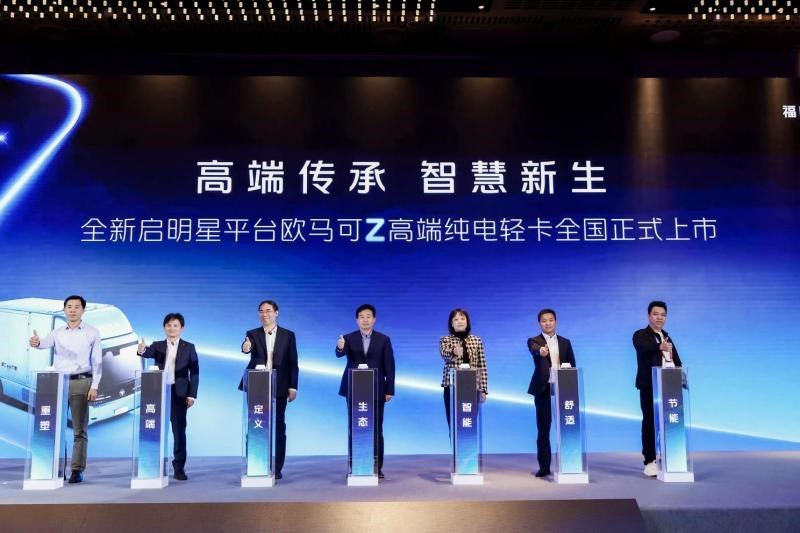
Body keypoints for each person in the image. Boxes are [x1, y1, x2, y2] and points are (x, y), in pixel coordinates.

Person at [28, 295, 102, 484]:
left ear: (83, 310)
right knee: (55, 427)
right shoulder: (57, 332)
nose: (72, 310)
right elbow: (44, 343)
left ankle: (77, 470)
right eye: (69, 306)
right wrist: (36, 342)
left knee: (79, 430)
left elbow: (97, 362)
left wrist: (94, 386)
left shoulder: (92, 332)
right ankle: (57, 467)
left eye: (77, 307)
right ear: (64, 310)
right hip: (58, 383)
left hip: (81, 382)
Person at [239, 299, 299, 480]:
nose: (264, 314)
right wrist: (245, 348)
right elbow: (246, 347)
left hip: (280, 385)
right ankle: (255, 463)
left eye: (268, 311)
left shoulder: (288, 335)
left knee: (279, 426)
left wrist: (293, 386)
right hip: (257, 384)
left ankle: (277, 467)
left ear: (276, 313)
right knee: (256, 425)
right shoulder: (252, 333)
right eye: (261, 311)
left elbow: (293, 363)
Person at [137, 312, 199, 481]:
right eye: (169, 325)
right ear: (164, 327)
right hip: (158, 392)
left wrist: (192, 395)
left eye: (175, 325)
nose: (172, 328)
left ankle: (179, 468)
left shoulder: (189, 347)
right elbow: (146, 353)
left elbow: (194, 373)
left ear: (181, 328)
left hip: (179, 394)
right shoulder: (157, 345)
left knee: (179, 431)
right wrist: (141, 350)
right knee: (155, 429)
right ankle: (155, 465)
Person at [336, 304, 395, 479]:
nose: (365, 320)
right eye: (361, 317)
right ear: (357, 320)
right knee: (355, 428)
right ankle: (355, 466)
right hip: (354, 389)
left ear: (374, 319)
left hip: (376, 389)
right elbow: (339, 354)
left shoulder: (384, 339)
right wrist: (340, 347)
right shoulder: (348, 338)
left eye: (368, 316)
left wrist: (389, 389)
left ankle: (377, 467)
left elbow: (390, 366)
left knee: (376, 428)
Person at [633, 300, 683, 477]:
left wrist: (681, 374)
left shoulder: (666, 337)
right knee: (649, 422)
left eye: (663, 315)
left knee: (668, 422)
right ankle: (649, 460)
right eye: (656, 314)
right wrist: (659, 346)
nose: (659, 318)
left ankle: (670, 455)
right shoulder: (640, 335)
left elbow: (676, 360)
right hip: (649, 385)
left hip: (668, 387)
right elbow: (643, 348)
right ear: (649, 316)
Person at [527, 308, 576, 478]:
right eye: (544, 321)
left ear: (556, 321)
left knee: (568, 426)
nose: (547, 323)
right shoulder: (534, 341)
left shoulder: (565, 342)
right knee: (544, 428)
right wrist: (541, 351)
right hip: (543, 388)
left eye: (550, 320)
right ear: (539, 323)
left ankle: (569, 462)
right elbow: (535, 349)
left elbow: (572, 365)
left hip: (564, 388)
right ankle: (544, 467)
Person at [439, 308, 488, 429]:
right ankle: (454, 442)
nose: (460, 321)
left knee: (469, 425)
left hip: (472, 387)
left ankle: (469, 441)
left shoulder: (477, 340)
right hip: (452, 387)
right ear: (452, 323)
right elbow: (444, 354)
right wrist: (453, 351)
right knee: (454, 425)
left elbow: (482, 365)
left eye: (462, 318)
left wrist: (483, 389)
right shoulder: (445, 340)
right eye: (456, 319)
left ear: (467, 322)